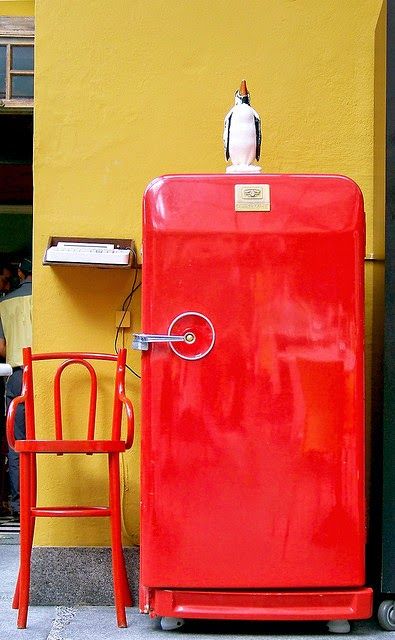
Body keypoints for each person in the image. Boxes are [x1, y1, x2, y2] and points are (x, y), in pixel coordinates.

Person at [0, 258, 32, 521]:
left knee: (17, 444)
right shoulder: (47, 299)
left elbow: (2, 348)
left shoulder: (6, 302)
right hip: (49, 376)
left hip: (18, 377)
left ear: (20, 273)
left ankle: (21, 505)